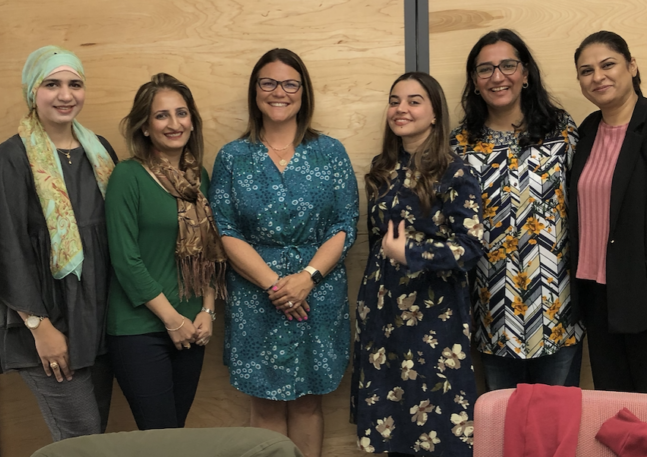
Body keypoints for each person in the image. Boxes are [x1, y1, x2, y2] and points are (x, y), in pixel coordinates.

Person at [210, 48, 358, 457]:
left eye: (290, 83)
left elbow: (345, 226)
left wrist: (306, 279)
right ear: (255, 91)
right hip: (258, 295)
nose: (280, 92)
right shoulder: (233, 157)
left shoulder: (330, 153)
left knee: (310, 400)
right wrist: (276, 285)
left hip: (318, 293)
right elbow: (225, 230)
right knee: (266, 402)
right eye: (268, 83)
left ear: (303, 92)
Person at [351, 72, 484, 457]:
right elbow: (379, 241)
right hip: (382, 313)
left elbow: (471, 248)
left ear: (435, 114)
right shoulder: (382, 169)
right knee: (390, 425)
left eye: (413, 101)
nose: (401, 109)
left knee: (435, 425)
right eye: (395, 100)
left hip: (433, 319)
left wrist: (413, 254)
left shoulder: (455, 172)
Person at [0, 45, 117, 441]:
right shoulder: (11, 157)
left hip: (98, 323)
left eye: (75, 84)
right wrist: (39, 326)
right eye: (52, 84)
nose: (66, 95)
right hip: (45, 324)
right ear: (32, 92)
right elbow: (5, 247)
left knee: (95, 438)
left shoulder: (101, 151)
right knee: (81, 441)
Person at [450, 29, 584, 390]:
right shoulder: (460, 144)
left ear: (526, 73)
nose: (497, 76)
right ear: (474, 82)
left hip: (559, 308)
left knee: (556, 428)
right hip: (494, 310)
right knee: (504, 430)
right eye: (485, 69)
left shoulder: (562, 130)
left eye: (508, 65)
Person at [569, 31, 647, 395]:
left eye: (608, 65)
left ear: (631, 65)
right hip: (598, 299)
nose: (598, 77)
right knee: (611, 413)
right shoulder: (588, 129)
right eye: (586, 71)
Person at [105, 73, 226, 429]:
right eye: (162, 115)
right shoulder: (128, 176)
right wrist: (172, 319)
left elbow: (208, 250)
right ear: (144, 126)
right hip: (141, 328)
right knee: (159, 437)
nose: (174, 124)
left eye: (181, 113)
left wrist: (208, 310)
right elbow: (126, 260)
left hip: (193, 327)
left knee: (176, 434)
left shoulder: (197, 177)